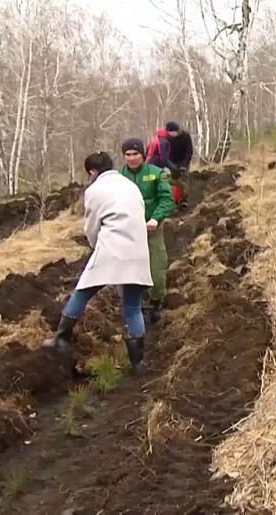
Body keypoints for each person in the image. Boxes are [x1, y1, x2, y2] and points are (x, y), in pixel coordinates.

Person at [41, 152, 152, 376]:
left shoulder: (95, 190)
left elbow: (92, 226)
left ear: (92, 172)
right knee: (132, 307)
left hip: (112, 247)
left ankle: (61, 339)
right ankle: (138, 364)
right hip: (138, 250)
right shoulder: (130, 185)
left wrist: (94, 246)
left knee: (82, 292)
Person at [120, 138, 174, 327]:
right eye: (128, 154)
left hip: (151, 229)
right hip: (126, 232)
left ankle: (156, 303)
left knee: (157, 268)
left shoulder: (156, 173)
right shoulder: (118, 177)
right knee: (128, 270)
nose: (132, 158)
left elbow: (166, 199)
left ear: (143, 155)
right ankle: (133, 305)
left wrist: (155, 218)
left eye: (135, 154)